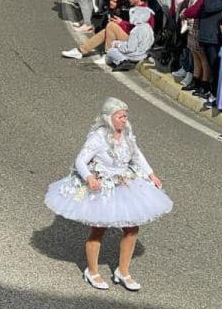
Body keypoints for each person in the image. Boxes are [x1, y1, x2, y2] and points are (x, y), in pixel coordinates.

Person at [44, 97, 171, 291]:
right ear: (109, 118)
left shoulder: (127, 133)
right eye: (120, 116)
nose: (124, 119)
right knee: (99, 229)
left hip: (124, 183)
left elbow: (137, 155)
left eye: (125, 115)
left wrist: (151, 174)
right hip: (102, 187)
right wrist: (89, 178)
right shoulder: (98, 137)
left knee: (132, 228)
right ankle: (92, 271)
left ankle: (123, 271)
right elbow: (80, 161)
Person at [62, 0, 153, 64]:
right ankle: (80, 50)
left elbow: (138, 31)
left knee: (111, 25)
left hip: (136, 43)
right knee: (107, 30)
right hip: (133, 38)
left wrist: (121, 23)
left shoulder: (144, 12)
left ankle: (108, 55)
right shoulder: (138, 9)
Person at [104, 5, 154, 71]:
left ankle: (123, 61)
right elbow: (152, 41)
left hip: (136, 55)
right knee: (116, 43)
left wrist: (118, 46)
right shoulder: (148, 27)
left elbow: (130, 49)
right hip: (144, 52)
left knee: (111, 50)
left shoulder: (135, 30)